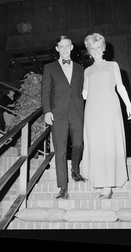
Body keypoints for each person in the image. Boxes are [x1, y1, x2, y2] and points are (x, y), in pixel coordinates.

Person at [81, 33, 131, 199]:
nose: (96, 51)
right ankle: (99, 179)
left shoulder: (113, 65)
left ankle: (107, 186)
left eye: (98, 47)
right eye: (92, 48)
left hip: (110, 108)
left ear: (103, 48)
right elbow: (84, 95)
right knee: (96, 145)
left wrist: (129, 105)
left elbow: (120, 87)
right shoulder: (87, 71)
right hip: (92, 110)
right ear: (89, 51)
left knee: (109, 143)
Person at [41, 35, 85, 199]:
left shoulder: (81, 69)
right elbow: (45, 92)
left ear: (72, 47)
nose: (65, 49)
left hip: (77, 111)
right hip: (57, 113)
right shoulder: (49, 68)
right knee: (60, 150)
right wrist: (47, 111)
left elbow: (84, 90)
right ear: (57, 49)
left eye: (68, 46)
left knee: (79, 143)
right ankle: (63, 187)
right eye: (62, 46)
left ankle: (75, 169)